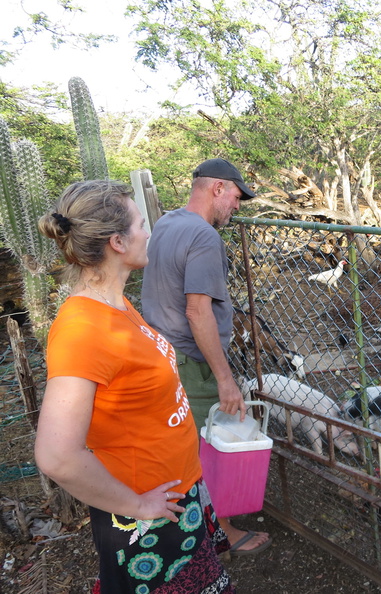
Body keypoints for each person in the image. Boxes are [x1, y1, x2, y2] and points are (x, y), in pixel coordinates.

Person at [35, 180, 235, 593]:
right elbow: (56, 455)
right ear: (118, 242)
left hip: (175, 497)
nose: (150, 231)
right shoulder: (82, 330)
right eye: (142, 224)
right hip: (147, 518)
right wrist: (139, 505)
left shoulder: (117, 304)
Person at [141, 158, 271, 556]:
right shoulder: (204, 237)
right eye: (236, 196)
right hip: (190, 361)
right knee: (206, 448)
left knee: (179, 445)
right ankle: (221, 533)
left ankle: (195, 527)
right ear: (217, 188)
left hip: (161, 352)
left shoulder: (166, 223)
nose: (237, 205)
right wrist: (224, 378)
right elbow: (197, 311)